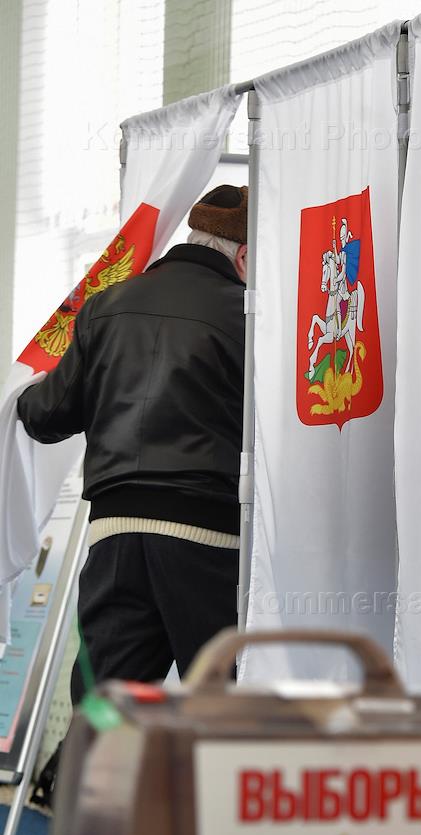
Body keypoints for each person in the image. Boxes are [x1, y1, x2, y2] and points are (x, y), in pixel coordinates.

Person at [17, 184, 248, 700]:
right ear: (244, 256)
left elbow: (46, 416)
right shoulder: (250, 316)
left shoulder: (106, 304)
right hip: (208, 536)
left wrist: (22, 391)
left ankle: (95, 758)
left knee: (105, 704)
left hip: (114, 532)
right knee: (219, 707)